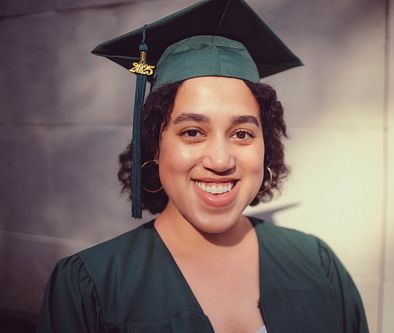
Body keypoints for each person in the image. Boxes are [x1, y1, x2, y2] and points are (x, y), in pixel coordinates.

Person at [36, 0, 369, 332]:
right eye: (192, 132)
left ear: (266, 146)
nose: (221, 161)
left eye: (242, 133)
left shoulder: (316, 264)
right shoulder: (89, 286)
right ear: (155, 146)